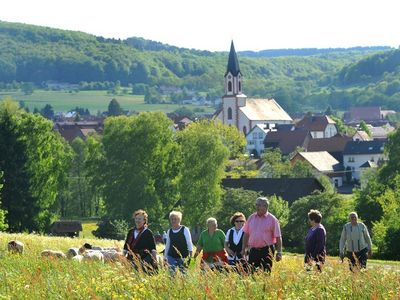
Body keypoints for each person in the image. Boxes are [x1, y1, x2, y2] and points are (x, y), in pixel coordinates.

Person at [241, 197, 282, 272]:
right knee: (251, 273)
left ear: (265, 206)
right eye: (256, 205)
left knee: (266, 273)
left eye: (258, 205)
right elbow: (246, 234)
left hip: (267, 250)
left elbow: (278, 237)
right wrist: (243, 248)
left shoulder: (272, 219)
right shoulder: (251, 218)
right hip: (253, 250)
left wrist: (279, 252)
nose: (256, 207)